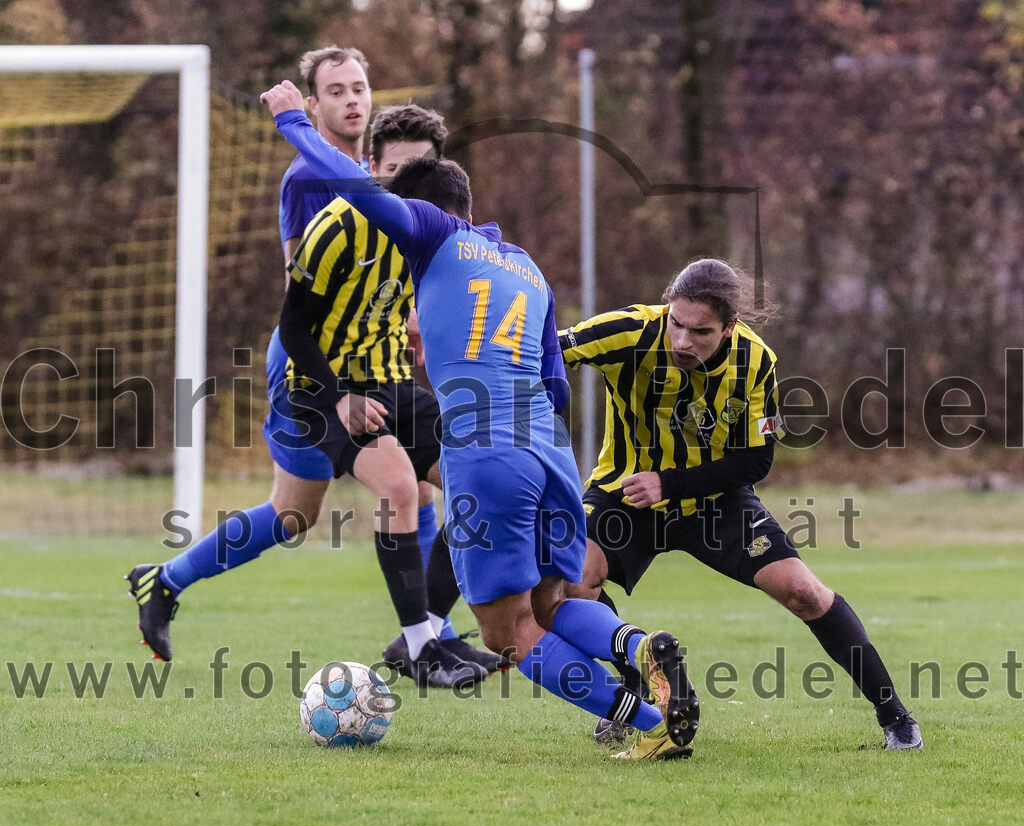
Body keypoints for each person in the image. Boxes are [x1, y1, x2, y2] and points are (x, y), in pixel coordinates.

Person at [261, 79, 702, 761]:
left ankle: (648, 725)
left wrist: (294, 122)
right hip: (551, 449)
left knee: (507, 633)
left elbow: (355, 188)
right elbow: (556, 383)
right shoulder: (525, 267)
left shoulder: (431, 230)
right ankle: (641, 648)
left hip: (485, 447)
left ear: (422, 210)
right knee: (551, 604)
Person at [126, 47, 499, 687]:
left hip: (378, 362)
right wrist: (342, 387)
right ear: (313, 103)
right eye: (336, 90)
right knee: (313, 509)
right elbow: (304, 300)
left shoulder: (413, 196)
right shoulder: (313, 182)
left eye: (360, 86)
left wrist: (413, 320)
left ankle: (425, 634)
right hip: (314, 370)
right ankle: (419, 642)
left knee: (430, 485)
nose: (352, 99)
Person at [558, 258, 923, 751]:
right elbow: (544, 351)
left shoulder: (755, 361)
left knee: (804, 593)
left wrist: (670, 483)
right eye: (677, 324)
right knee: (572, 580)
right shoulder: (628, 331)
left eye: (701, 332)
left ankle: (896, 719)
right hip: (626, 493)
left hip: (713, 501)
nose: (683, 341)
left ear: (730, 327)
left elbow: (755, 459)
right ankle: (643, 674)